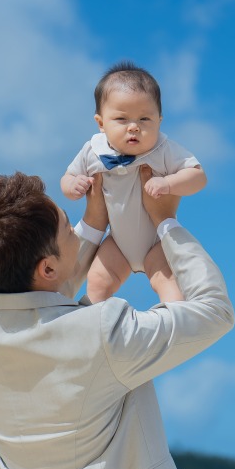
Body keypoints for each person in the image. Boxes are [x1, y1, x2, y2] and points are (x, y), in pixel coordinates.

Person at [0, 167, 234, 469]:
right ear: (48, 268)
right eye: (69, 227)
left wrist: (94, 221)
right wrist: (167, 224)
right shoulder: (104, 333)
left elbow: (36, 299)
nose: (76, 235)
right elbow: (215, 312)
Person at [61, 60, 207, 303]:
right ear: (101, 123)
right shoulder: (93, 151)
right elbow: (67, 178)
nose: (133, 128)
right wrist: (73, 186)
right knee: (97, 280)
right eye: (121, 119)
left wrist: (169, 183)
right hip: (117, 242)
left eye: (144, 119)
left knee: (169, 284)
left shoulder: (163, 150)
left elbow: (198, 176)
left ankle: (172, 323)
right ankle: (90, 324)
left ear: (159, 120)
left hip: (158, 241)